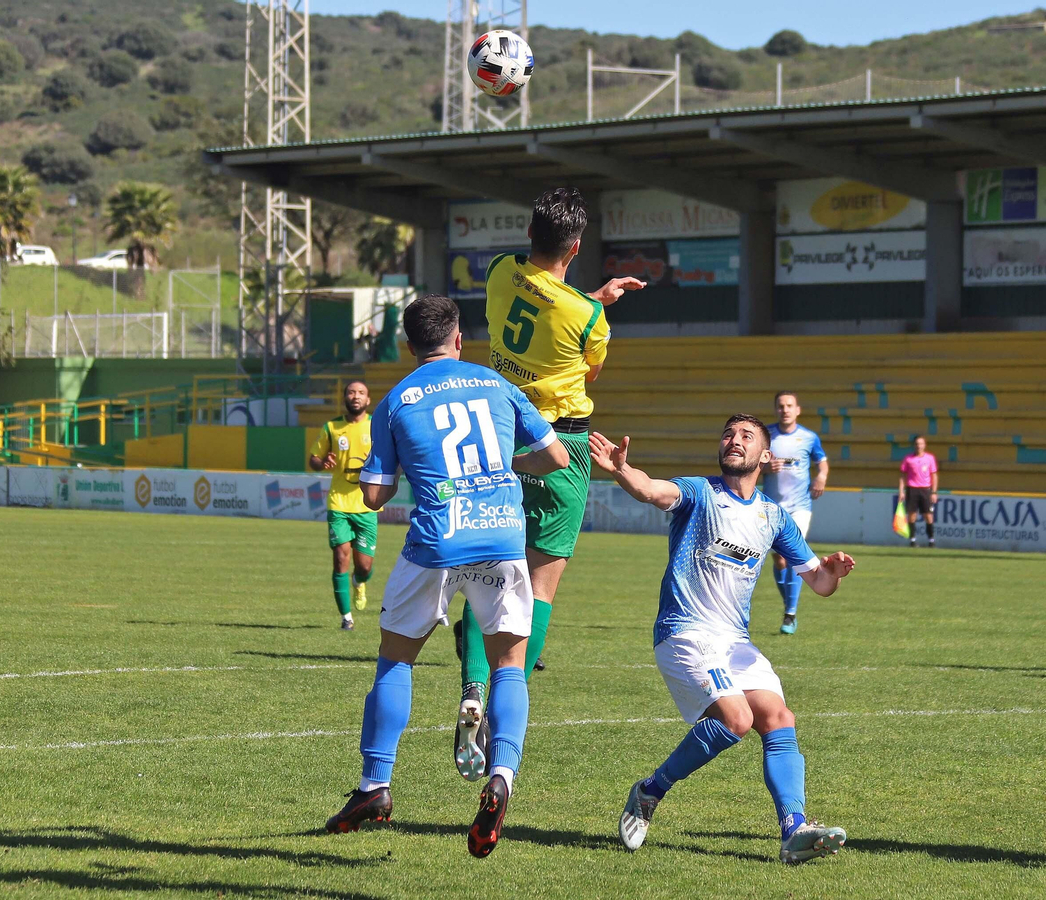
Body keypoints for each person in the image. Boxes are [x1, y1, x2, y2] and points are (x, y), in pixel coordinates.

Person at [323, 295, 570, 859]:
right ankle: (501, 776)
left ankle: (375, 784)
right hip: (501, 537)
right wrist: (505, 466)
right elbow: (555, 457)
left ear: (409, 346)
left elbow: (375, 495)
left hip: (436, 542)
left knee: (396, 659)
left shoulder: (395, 400)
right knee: (509, 665)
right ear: (460, 339)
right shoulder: (496, 384)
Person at [590, 416, 858, 865]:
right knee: (736, 719)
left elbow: (820, 582)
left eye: (746, 436)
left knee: (778, 717)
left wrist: (833, 573)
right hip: (685, 630)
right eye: (728, 435)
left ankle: (794, 830)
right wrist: (622, 471)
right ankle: (650, 791)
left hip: (734, 641)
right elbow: (651, 490)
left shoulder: (773, 516)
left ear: (765, 456)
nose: (734, 441)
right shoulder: (699, 493)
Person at [453, 187, 645, 779]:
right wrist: (598, 305)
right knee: (540, 586)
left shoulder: (499, 270)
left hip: (500, 433)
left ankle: (471, 686)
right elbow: (589, 367)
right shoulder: (588, 317)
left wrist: (592, 297)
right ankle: (503, 696)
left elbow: (539, 299)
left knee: (486, 571)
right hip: (562, 443)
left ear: (530, 234)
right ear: (577, 247)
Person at [308, 379, 380, 629]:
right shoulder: (332, 427)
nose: (356, 396)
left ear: (368, 400)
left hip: (367, 505)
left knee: (364, 567)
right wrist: (322, 463)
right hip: (338, 502)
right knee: (340, 558)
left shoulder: (376, 426)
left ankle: (359, 582)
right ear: (345, 398)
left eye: (361, 392)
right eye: (351, 392)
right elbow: (313, 459)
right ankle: (346, 618)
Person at [764, 391, 828, 635]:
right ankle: (789, 605)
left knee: (792, 557)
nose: (785, 410)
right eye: (781, 406)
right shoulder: (766, 435)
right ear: (775, 409)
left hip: (800, 506)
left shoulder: (809, 437)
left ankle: (790, 614)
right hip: (772, 508)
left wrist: (821, 476)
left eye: (789, 405)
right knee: (778, 559)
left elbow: (822, 462)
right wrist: (764, 467)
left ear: (797, 409)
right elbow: (751, 464)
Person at [898, 436, 938, 547]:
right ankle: (912, 540)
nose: (918, 446)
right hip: (912, 489)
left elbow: (934, 475)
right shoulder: (908, 459)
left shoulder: (930, 458)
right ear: (914, 445)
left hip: (925, 489)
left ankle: (931, 540)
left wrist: (934, 492)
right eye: (917, 444)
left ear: (924, 445)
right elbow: (903, 476)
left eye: (921, 444)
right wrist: (901, 491)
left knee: (928, 515)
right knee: (912, 515)